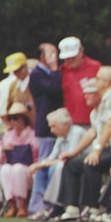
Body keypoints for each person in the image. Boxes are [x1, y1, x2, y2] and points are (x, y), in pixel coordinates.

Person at [54, 68, 111, 222]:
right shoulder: (100, 105)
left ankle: (93, 207)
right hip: (105, 146)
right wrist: (74, 153)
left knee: (91, 163)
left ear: (107, 82)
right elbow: (92, 132)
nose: (95, 81)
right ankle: (71, 207)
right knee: (72, 164)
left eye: (98, 78)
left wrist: (97, 150)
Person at [27, 107, 87, 221]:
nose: (51, 130)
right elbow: (52, 157)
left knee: (58, 167)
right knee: (41, 170)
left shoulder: (77, 133)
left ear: (65, 125)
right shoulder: (61, 137)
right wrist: (40, 164)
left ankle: (56, 205)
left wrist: (44, 164)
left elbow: (67, 158)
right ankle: (46, 205)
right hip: (68, 164)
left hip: (80, 165)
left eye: (53, 126)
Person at [0, 102, 39, 217]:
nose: (13, 121)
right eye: (10, 118)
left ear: (23, 119)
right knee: (5, 169)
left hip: (28, 169)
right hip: (11, 167)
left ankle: (22, 205)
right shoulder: (8, 135)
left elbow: (37, 155)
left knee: (18, 169)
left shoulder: (32, 134)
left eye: (16, 118)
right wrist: (3, 149)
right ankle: (12, 205)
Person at [28, 43, 64, 171]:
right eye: (52, 54)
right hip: (46, 126)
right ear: (43, 57)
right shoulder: (36, 75)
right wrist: (54, 69)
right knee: (44, 162)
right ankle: (40, 191)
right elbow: (54, 89)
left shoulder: (56, 73)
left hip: (59, 125)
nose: (56, 57)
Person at [57, 36, 101, 128]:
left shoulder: (95, 67)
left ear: (81, 51)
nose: (69, 61)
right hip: (70, 122)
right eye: (66, 58)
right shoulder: (61, 71)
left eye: (72, 57)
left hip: (93, 120)